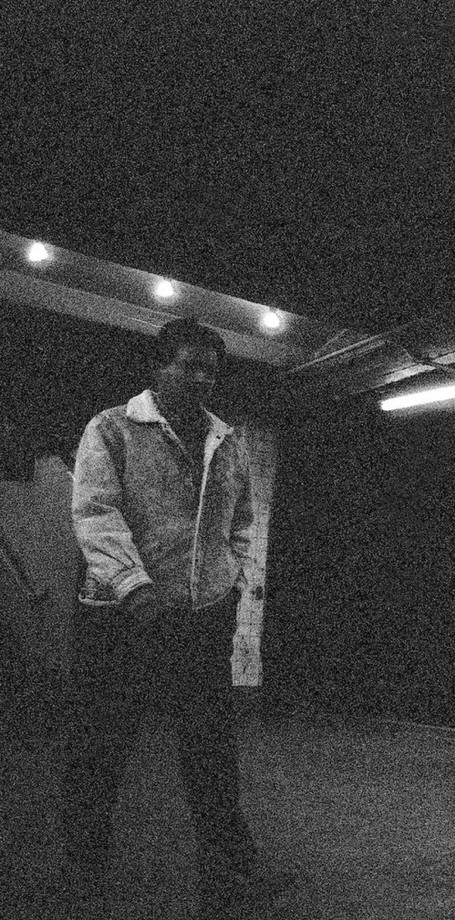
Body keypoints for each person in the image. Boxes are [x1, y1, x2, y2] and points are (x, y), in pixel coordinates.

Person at [61, 319, 294, 918]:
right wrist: (137, 591)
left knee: (212, 754)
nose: (201, 377)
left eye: (210, 369)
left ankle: (231, 877)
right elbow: (95, 513)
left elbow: (242, 521)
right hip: (120, 619)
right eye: (189, 365)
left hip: (198, 621)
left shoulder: (229, 440)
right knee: (101, 747)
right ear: (158, 368)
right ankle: (80, 872)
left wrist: (230, 580)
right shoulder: (111, 428)